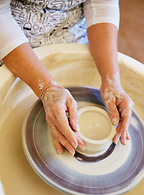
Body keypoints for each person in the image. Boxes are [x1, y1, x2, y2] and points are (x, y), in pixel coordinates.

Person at [0, 0, 134, 156]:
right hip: (15, 41)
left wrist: (111, 80)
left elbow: (101, 3)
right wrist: (47, 89)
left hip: (72, 34)